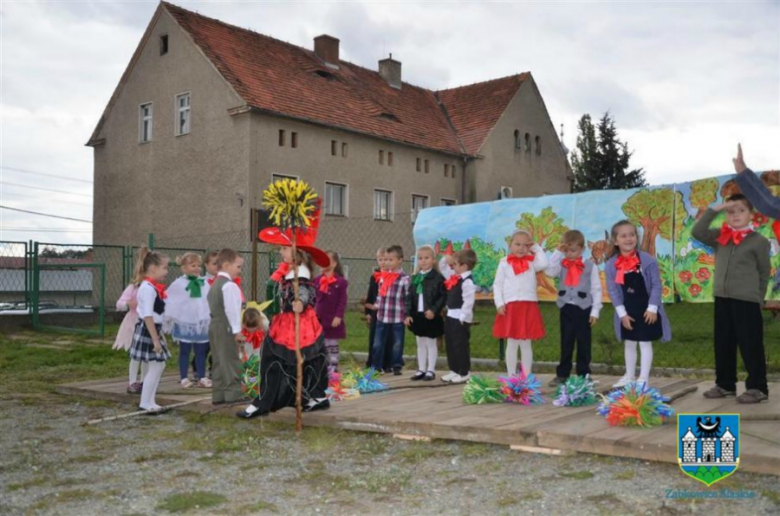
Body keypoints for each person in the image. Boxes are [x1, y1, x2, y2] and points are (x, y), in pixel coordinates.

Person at [237, 205, 332, 418]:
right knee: (300, 360)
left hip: (297, 324)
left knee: (275, 359)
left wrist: (301, 301)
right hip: (290, 322)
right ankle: (312, 397)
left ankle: (265, 402)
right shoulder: (290, 270)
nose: (280, 252)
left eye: (284, 248)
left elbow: (306, 289)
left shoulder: (300, 271)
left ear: (297, 251)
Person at [692, 193, 771, 403]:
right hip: (722, 298)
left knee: (750, 344)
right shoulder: (721, 236)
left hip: (747, 300)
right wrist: (715, 209)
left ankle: (758, 387)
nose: (736, 215)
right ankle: (725, 384)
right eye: (731, 211)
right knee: (723, 342)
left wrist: (758, 297)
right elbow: (697, 231)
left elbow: (764, 273)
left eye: (741, 211)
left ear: (751, 215)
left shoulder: (759, 241)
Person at [605, 221, 671, 389]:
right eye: (623, 235)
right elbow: (613, 291)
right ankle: (629, 375)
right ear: (615, 241)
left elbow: (656, 285)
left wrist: (652, 308)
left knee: (644, 341)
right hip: (627, 310)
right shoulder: (611, 265)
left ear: (637, 238)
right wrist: (622, 314)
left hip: (646, 309)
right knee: (629, 342)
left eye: (632, 235)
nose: (628, 239)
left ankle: (643, 378)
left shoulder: (648, 261)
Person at [545, 230, 602, 387]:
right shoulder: (561, 264)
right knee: (566, 341)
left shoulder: (590, 266)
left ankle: (584, 374)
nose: (570, 254)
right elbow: (549, 271)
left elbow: (596, 289)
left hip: (584, 308)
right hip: (566, 308)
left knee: (584, 343)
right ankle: (562, 374)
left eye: (573, 250)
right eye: (567, 250)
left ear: (582, 249)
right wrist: (557, 252)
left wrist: (595, 310)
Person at [492, 230, 549, 377]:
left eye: (525, 245)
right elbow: (497, 285)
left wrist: (535, 247)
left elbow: (544, 263)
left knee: (525, 343)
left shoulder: (532, 262)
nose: (521, 248)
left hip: (528, 305)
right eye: (517, 244)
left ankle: (526, 376)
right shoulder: (504, 263)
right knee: (512, 342)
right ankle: (511, 376)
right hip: (511, 306)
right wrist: (499, 303)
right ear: (510, 245)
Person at [127, 247, 171, 413]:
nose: (166, 271)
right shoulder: (147, 289)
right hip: (148, 330)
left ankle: (149, 401)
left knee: (158, 366)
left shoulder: (150, 287)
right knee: (157, 366)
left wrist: (160, 335)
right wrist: (155, 339)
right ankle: (145, 402)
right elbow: (148, 316)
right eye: (165, 267)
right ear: (153, 268)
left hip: (153, 329)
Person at [165, 252, 211, 388]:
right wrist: (172, 316)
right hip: (185, 323)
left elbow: (207, 301)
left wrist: (208, 316)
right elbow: (171, 299)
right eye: (193, 265)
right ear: (184, 268)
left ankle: (202, 377)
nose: (197, 268)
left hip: (200, 324)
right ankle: (184, 377)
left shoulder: (204, 283)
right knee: (184, 350)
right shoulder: (179, 284)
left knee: (201, 351)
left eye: (198, 265)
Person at [208, 248, 246, 405]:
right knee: (230, 359)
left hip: (215, 325)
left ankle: (219, 394)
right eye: (238, 266)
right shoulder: (229, 286)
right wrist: (237, 331)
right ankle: (233, 394)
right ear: (226, 265)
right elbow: (232, 310)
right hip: (226, 325)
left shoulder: (215, 284)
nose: (239, 270)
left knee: (218, 360)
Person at [404, 245, 446, 381]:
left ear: (433, 260)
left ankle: (431, 370)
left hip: (430, 315)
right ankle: (421, 369)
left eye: (426, 258)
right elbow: (409, 297)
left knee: (430, 342)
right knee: (420, 342)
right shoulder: (415, 278)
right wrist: (408, 314)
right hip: (418, 315)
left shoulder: (438, 278)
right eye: (420, 258)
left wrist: (434, 310)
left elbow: (442, 296)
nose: (423, 261)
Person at [371, 245, 410, 375]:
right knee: (378, 343)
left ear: (400, 260)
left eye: (390, 260)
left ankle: (397, 365)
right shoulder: (383, 277)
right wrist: (376, 305)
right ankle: (376, 366)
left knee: (397, 343)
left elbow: (407, 298)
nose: (387, 262)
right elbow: (380, 293)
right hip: (382, 316)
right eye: (386, 260)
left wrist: (407, 314)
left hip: (397, 316)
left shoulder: (404, 279)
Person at [442, 249, 478, 384]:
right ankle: (454, 369)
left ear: (464, 266)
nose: (453, 266)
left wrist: (463, 316)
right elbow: (443, 267)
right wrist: (447, 259)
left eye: (455, 264)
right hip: (451, 315)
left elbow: (469, 301)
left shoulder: (467, 282)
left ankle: (464, 372)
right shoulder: (454, 277)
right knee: (450, 344)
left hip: (460, 318)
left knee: (460, 345)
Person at [314, 250, 348, 374]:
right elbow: (314, 298)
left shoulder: (340, 282)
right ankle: (323, 367)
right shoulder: (317, 281)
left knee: (332, 343)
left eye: (326, 260)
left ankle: (333, 367)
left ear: (333, 264)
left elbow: (342, 301)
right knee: (320, 343)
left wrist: (338, 316)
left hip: (332, 318)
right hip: (319, 318)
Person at [114, 275, 146, 394]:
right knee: (135, 353)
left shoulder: (154, 287)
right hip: (134, 322)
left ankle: (144, 382)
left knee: (146, 354)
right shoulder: (133, 287)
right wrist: (128, 304)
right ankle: (132, 382)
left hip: (149, 321)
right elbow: (119, 303)